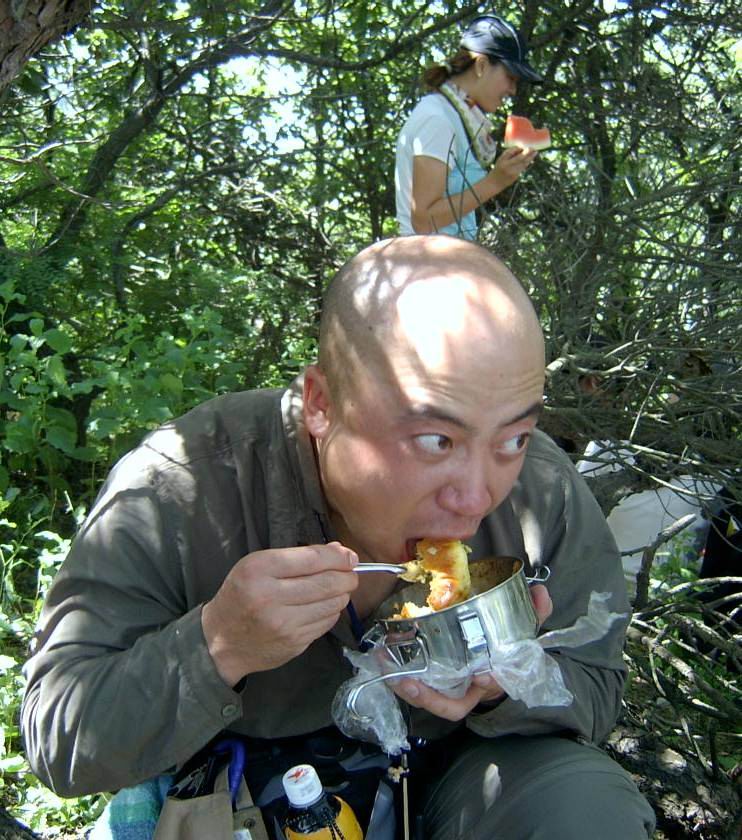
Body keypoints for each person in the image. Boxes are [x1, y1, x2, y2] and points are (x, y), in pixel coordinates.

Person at [21, 236, 655, 839]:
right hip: (251, 784)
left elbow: (598, 687)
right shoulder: (183, 488)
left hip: (461, 770)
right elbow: (58, 740)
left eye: (512, 437)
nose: (476, 496)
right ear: (322, 404)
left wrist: (509, 687)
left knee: (582, 807)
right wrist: (218, 645)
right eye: (436, 440)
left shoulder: (542, 486)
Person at [395, 13, 543, 240]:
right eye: (510, 78)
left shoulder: (454, 116)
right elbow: (423, 220)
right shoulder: (437, 120)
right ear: (482, 65)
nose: (513, 90)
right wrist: (494, 182)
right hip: (427, 258)